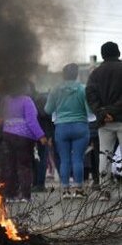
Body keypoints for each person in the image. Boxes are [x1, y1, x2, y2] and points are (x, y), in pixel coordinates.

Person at [45, 63, 91, 199]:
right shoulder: (83, 89)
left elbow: (48, 109)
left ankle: (65, 190)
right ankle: (79, 190)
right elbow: (89, 110)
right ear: (76, 74)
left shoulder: (55, 89)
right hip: (80, 126)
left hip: (62, 127)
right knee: (78, 159)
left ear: (63, 75)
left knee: (64, 160)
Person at [86, 41, 122, 201]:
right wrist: (113, 112)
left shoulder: (95, 73)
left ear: (102, 55)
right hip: (120, 118)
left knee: (104, 155)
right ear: (118, 53)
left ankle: (105, 191)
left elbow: (90, 95)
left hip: (104, 123)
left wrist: (102, 112)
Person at [1, 80, 47, 202]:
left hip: (7, 135)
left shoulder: (6, 100)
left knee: (10, 165)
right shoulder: (26, 101)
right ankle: (25, 195)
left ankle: (10, 194)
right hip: (23, 138)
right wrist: (41, 136)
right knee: (24, 166)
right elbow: (31, 121)